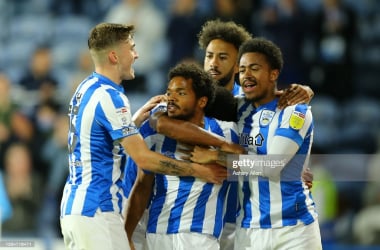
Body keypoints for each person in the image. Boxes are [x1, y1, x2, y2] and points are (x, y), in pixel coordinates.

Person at [59, 23, 230, 250]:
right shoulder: (130, 114)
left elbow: (262, 166)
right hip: (99, 210)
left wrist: (224, 156)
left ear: (202, 101)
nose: (136, 54)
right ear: (113, 56)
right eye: (131, 48)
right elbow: (143, 165)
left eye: (181, 93)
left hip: (78, 209)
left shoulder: (86, 88)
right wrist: (198, 170)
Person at [189, 37, 322, 249]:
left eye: (254, 68)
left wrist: (216, 157)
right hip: (249, 231)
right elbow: (190, 102)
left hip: (294, 230)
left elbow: (272, 166)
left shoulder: (294, 111)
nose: (246, 75)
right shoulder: (239, 108)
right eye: (242, 70)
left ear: (273, 74)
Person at [125, 62, 244, 250]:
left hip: (199, 236)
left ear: (201, 102)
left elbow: (251, 165)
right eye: (169, 92)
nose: (171, 98)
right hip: (157, 234)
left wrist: (214, 155)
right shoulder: (154, 132)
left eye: (181, 93)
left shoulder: (226, 131)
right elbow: (142, 186)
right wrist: (126, 234)